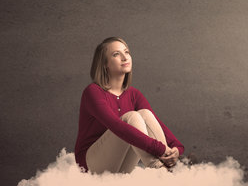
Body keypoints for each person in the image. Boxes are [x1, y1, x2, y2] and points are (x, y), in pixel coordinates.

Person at [74, 37, 186, 174]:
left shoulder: (133, 94)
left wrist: (176, 148)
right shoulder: (93, 92)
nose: (124, 57)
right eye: (116, 54)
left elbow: (157, 124)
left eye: (126, 52)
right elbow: (117, 127)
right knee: (131, 117)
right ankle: (160, 171)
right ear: (105, 64)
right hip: (90, 164)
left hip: (119, 165)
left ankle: (165, 167)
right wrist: (161, 149)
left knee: (145, 113)